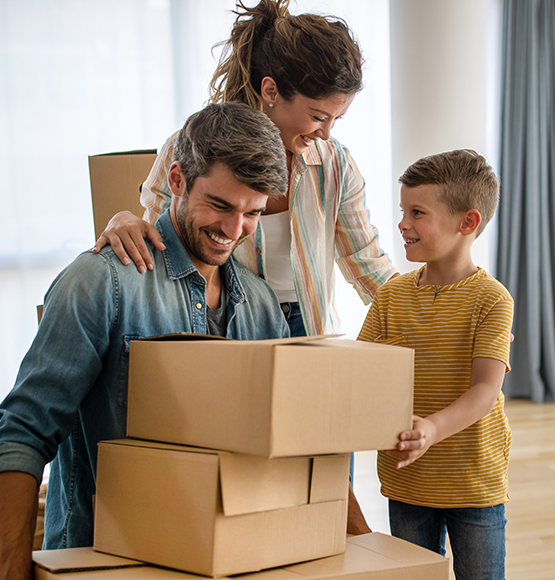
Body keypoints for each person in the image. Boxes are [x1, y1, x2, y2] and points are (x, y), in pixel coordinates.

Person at [0, 102, 291, 579]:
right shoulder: (101, 283)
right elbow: (22, 430)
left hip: (232, 559)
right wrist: (10, 565)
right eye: (219, 205)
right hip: (106, 563)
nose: (233, 231)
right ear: (176, 180)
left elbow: (293, 443)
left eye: (252, 213)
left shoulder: (259, 305)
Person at [94, 0, 398, 337]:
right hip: (223, 324)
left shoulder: (334, 162)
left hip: (310, 329)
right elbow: (162, 244)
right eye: (317, 116)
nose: (326, 133)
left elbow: (366, 261)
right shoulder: (196, 143)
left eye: (336, 118)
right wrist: (124, 221)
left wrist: (434, 302)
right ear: (270, 90)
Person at [357, 150, 514, 580]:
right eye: (403, 211)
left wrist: (431, 429)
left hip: (473, 481)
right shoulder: (390, 297)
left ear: (468, 223)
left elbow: (485, 390)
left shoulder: (492, 300)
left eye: (417, 212)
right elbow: (360, 373)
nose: (402, 224)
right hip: (407, 480)